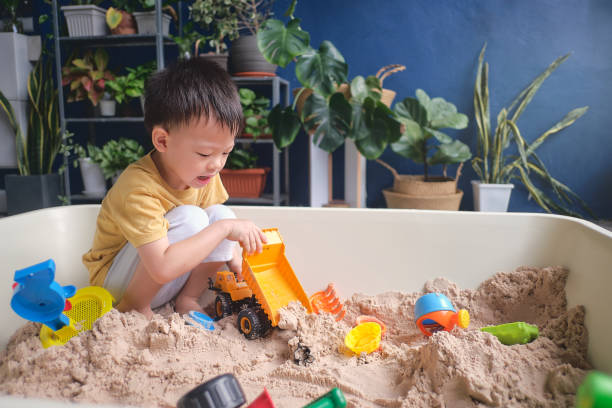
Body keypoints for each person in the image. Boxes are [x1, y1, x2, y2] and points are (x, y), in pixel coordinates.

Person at [82, 57, 266, 318]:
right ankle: (136, 308)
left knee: (223, 214)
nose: (216, 165)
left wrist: (238, 265)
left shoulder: (204, 174)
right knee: (196, 219)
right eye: (204, 154)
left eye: (226, 152)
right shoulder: (137, 187)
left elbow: (217, 229)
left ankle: (188, 299)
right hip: (116, 289)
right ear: (162, 141)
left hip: (167, 281)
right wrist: (225, 229)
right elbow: (161, 267)